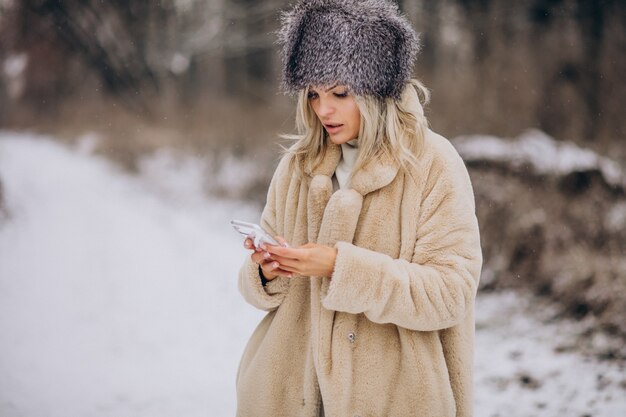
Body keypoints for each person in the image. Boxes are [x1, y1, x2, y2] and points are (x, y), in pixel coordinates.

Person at [235, 1, 483, 416]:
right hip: (288, 396)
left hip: (395, 400)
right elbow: (256, 293)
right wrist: (265, 270)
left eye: (340, 93)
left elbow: (450, 293)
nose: (323, 109)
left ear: (376, 90)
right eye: (313, 94)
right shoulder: (298, 166)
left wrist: (339, 267)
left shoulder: (434, 164)